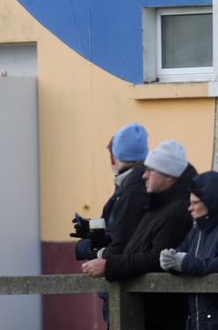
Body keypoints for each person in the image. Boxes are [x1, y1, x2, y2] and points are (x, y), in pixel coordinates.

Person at [82, 140, 197, 330]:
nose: (144, 175)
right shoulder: (157, 204)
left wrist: (109, 265)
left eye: (151, 171)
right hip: (142, 311)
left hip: (158, 316)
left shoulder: (177, 210)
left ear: (169, 176)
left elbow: (156, 258)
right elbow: (136, 248)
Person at [159, 171, 218, 330]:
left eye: (195, 203)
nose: (189, 208)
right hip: (199, 321)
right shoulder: (196, 232)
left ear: (211, 202)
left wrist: (183, 263)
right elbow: (180, 256)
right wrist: (169, 261)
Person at [73, 123, 149, 324]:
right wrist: (91, 230)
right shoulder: (149, 185)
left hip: (122, 285)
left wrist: (86, 246)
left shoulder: (128, 192)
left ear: (113, 158)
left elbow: (120, 240)